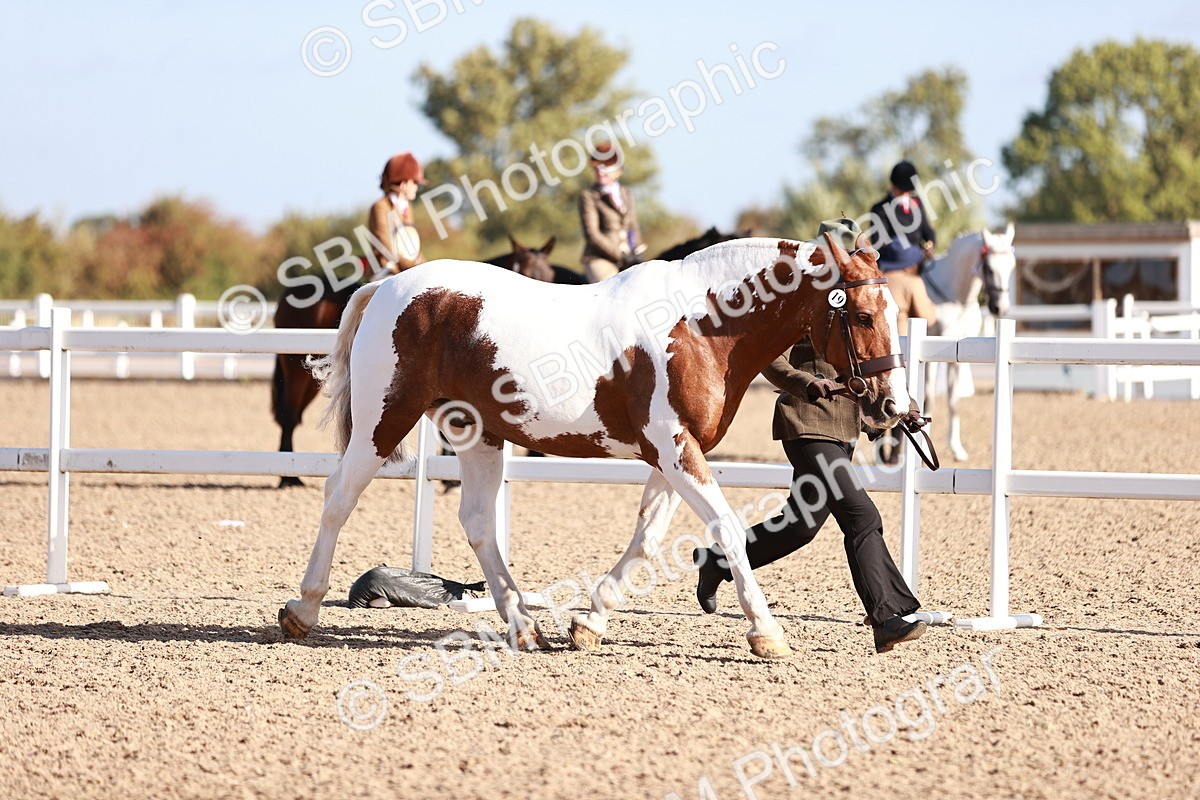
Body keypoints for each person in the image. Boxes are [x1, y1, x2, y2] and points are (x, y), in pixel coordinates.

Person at [692, 219, 929, 655]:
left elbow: (867, 367)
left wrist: (900, 409)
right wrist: (805, 383)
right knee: (861, 515)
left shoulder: (853, 300)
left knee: (800, 526)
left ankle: (718, 562)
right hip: (806, 423)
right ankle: (888, 615)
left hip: (841, 429)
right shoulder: (801, 300)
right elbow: (771, 360)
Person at [868, 160, 938, 333]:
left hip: (919, 265)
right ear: (893, 186)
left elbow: (928, 232)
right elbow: (879, 243)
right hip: (893, 268)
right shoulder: (880, 209)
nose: (906, 193)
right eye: (902, 189)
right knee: (899, 315)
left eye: (908, 190)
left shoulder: (917, 204)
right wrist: (904, 252)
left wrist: (931, 245)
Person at [579, 142, 644, 283]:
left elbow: (633, 226)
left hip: (628, 256)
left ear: (617, 170)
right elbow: (592, 234)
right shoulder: (589, 196)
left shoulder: (625, 193)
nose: (600, 172)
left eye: (605, 168)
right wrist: (620, 256)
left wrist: (637, 251)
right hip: (600, 260)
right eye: (596, 168)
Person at [368, 152, 426, 277]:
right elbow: (386, 248)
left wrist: (426, 267)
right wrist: (413, 267)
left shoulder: (407, 207)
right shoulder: (380, 207)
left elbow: (411, 244)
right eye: (415, 183)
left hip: (406, 269)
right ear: (403, 184)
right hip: (387, 271)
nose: (417, 187)